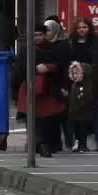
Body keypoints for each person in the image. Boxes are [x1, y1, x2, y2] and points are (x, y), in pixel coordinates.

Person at [13, 24, 66, 157]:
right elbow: (20, 71)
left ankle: (47, 144)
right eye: (34, 35)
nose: (37, 38)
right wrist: (35, 70)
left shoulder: (52, 49)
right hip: (30, 89)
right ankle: (38, 145)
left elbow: (60, 66)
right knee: (33, 121)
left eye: (40, 35)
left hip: (48, 90)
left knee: (47, 120)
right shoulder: (25, 50)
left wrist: (49, 67)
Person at [67, 17, 98, 151]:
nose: (82, 30)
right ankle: (80, 141)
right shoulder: (71, 43)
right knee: (77, 112)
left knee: (93, 112)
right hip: (75, 81)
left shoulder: (96, 41)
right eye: (79, 28)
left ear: (89, 28)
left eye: (84, 27)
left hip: (92, 81)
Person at [44, 19, 72, 152]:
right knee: (52, 115)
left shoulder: (63, 45)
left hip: (61, 83)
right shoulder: (45, 45)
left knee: (63, 114)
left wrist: (65, 85)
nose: (46, 33)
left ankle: (69, 141)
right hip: (48, 85)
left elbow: (64, 66)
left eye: (48, 30)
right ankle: (56, 143)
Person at [67, 61, 96, 153]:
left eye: (78, 73)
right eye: (74, 74)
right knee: (77, 130)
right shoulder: (74, 85)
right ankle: (78, 143)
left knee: (83, 130)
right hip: (75, 114)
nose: (75, 76)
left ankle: (83, 145)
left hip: (83, 113)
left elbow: (87, 98)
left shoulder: (88, 85)